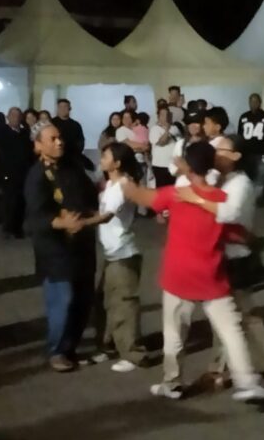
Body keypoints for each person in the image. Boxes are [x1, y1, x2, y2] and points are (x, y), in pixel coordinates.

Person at [119, 141, 264, 403]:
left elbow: (143, 197)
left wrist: (126, 182)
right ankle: (247, 382)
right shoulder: (220, 199)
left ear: (188, 166)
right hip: (210, 276)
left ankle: (172, 382)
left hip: (177, 275)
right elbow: (235, 232)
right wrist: (254, 241)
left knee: (175, 333)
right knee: (231, 330)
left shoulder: (176, 194)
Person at [185, 135, 264, 395]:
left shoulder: (241, 184)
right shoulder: (221, 179)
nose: (215, 153)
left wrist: (196, 199)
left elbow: (229, 213)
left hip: (236, 258)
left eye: (221, 149)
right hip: (221, 255)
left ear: (236, 156)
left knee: (243, 316)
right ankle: (219, 369)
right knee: (225, 316)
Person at [24, 122, 103, 373]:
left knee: (83, 300)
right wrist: (62, 222)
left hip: (82, 245)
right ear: (38, 145)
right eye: (52, 139)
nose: (59, 142)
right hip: (56, 251)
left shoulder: (72, 167)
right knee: (63, 301)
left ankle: (70, 348)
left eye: (60, 137)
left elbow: (89, 196)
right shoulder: (36, 176)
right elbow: (36, 218)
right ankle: (56, 350)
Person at [94, 142, 146, 373]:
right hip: (112, 253)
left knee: (124, 303)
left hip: (124, 254)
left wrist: (79, 223)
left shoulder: (124, 185)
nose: (101, 159)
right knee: (105, 302)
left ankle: (133, 354)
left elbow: (105, 216)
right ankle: (111, 345)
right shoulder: (110, 185)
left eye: (105, 156)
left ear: (117, 163)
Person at [0, 107, 34, 239]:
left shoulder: (25, 133)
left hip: (23, 173)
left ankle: (17, 228)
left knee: (21, 201)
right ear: (8, 117)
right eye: (13, 115)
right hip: (7, 172)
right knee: (9, 201)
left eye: (18, 115)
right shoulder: (1, 131)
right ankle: (7, 228)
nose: (15, 118)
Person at [237, 94, 264, 200]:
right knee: (248, 177)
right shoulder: (243, 116)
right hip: (247, 153)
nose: (253, 103)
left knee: (260, 178)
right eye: (251, 101)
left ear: (260, 102)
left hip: (261, 153)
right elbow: (240, 135)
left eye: (256, 101)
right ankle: (248, 199)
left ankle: (256, 200)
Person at [50, 100, 90, 170]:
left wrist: (75, 153)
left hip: (72, 159)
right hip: (56, 159)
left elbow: (81, 141)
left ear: (69, 108)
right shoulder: (51, 123)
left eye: (65, 107)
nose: (63, 109)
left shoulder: (76, 125)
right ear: (58, 109)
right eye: (60, 107)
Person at [150, 107, 181, 189]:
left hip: (174, 165)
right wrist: (167, 130)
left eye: (167, 115)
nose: (166, 117)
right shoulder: (154, 129)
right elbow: (162, 142)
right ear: (158, 117)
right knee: (162, 191)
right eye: (163, 115)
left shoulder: (175, 128)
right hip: (160, 166)